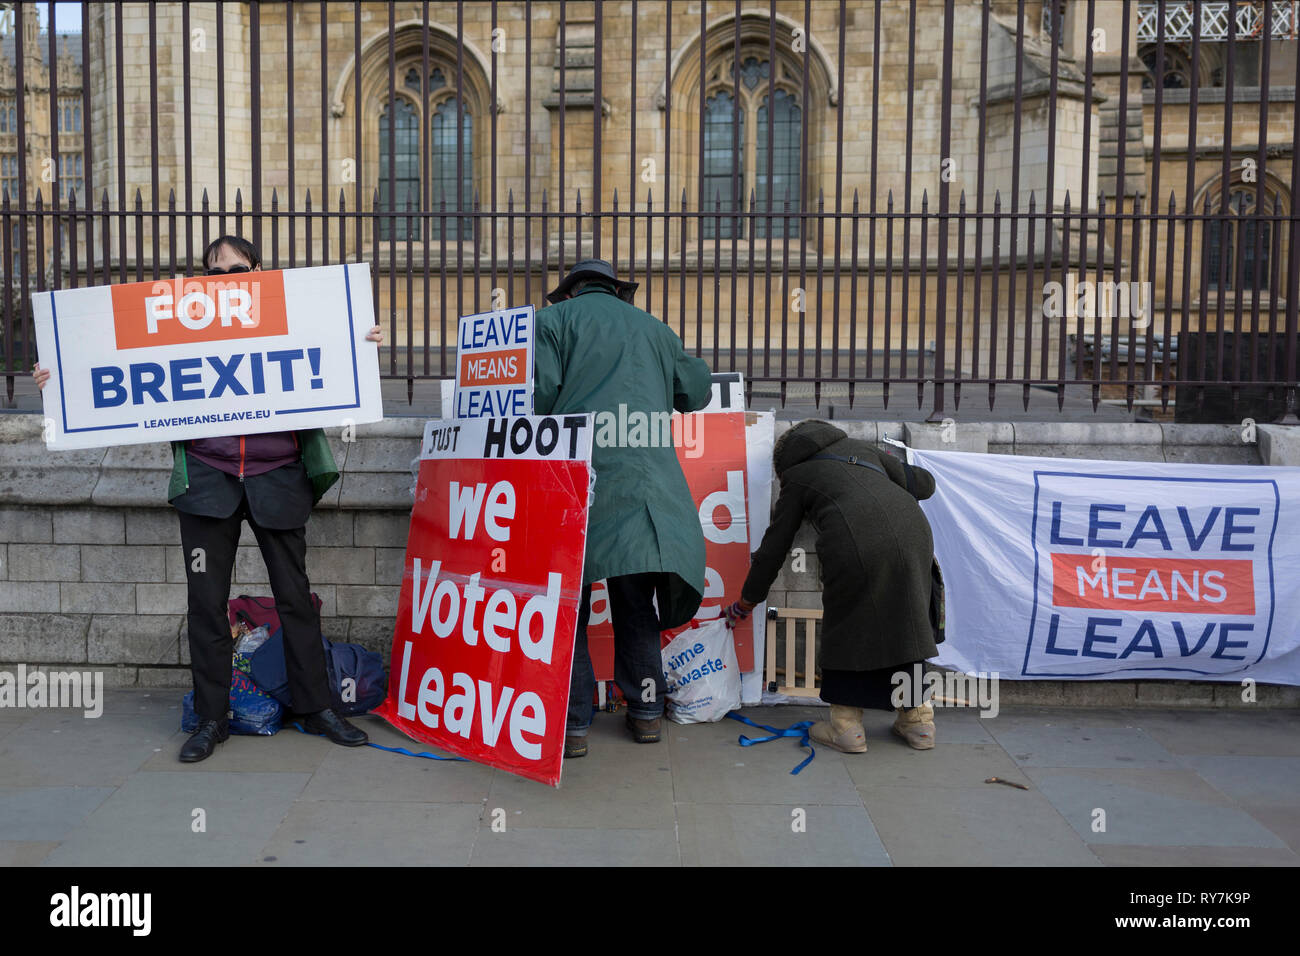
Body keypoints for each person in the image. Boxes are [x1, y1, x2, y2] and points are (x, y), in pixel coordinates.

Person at [35, 235, 384, 762]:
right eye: (214, 272)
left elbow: (334, 351)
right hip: (207, 479)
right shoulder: (182, 326)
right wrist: (60, 380)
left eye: (236, 269)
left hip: (278, 477)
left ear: (259, 270)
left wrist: (362, 343)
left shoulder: (293, 314)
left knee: (295, 599)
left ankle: (317, 708)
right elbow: (110, 362)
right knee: (206, 605)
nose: (225, 279)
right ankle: (211, 718)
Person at [533, 259, 712, 757]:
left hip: (575, 483)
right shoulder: (655, 329)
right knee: (636, 603)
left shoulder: (550, 323)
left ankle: (573, 726)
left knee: (570, 608)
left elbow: (538, 400)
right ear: (618, 292)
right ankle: (646, 714)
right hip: (645, 487)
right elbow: (695, 392)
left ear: (569, 292)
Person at [723, 419, 941, 753]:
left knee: (848, 626)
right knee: (907, 620)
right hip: (915, 536)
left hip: (855, 547)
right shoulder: (863, 449)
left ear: (785, 462)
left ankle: (846, 727)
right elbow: (924, 485)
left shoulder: (797, 477)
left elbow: (774, 547)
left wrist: (747, 600)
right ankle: (918, 723)